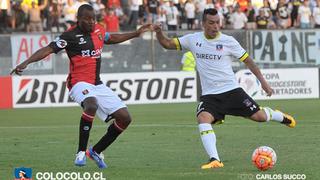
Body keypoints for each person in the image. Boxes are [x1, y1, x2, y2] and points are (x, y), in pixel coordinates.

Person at [152, 8, 296, 169]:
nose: (215, 26)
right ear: (203, 24)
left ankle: (281, 116)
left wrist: (263, 82)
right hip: (210, 96)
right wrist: (158, 32)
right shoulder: (193, 40)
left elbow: (249, 62)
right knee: (203, 119)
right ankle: (215, 159)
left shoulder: (229, 41)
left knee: (260, 117)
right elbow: (167, 44)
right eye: (211, 23)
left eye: (217, 22)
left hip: (232, 91)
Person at [10, 4, 151, 169]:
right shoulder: (69, 35)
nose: (92, 22)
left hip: (97, 83)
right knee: (91, 104)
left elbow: (111, 38)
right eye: (87, 19)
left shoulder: (98, 30)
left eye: (93, 18)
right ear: (79, 19)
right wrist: (26, 62)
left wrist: (136, 33)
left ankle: (96, 151)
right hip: (78, 82)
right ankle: (81, 152)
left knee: (125, 118)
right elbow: (48, 49)